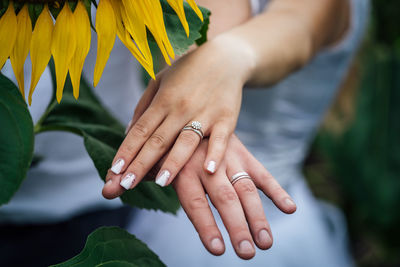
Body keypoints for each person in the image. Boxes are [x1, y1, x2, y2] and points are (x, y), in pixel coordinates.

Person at [0, 0, 369, 266]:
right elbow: (196, 24)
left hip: (242, 215)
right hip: (176, 195)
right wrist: (193, 94)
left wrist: (227, 57)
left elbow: (298, 27)